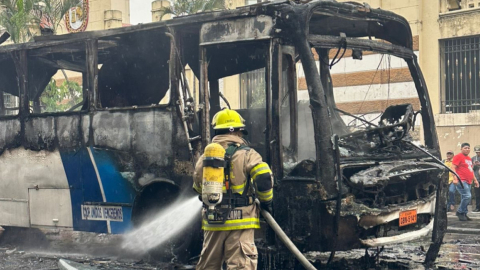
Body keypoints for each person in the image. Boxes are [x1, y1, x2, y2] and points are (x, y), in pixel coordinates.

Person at [193, 108, 274, 270]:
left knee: (208, 266)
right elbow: (264, 178)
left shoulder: (205, 157)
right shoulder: (248, 154)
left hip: (213, 220)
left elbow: (197, 187)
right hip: (241, 221)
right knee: (240, 266)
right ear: (238, 131)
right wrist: (266, 202)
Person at [452, 143, 480, 221]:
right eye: (465, 148)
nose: (467, 149)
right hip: (461, 180)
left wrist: (475, 180)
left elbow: (471, 170)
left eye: (468, 148)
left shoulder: (468, 158)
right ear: (461, 149)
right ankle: (460, 212)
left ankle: (464, 213)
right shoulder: (458, 156)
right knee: (467, 196)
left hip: (468, 181)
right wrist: (455, 178)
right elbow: (453, 167)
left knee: (464, 197)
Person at [471, 145, 480, 212]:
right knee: (477, 194)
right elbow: (471, 168)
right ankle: (478, 207)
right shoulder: (473, 158)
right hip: (477, 178)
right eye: (476, 152)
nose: (478, 153)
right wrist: (474, 165)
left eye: (479, 152)